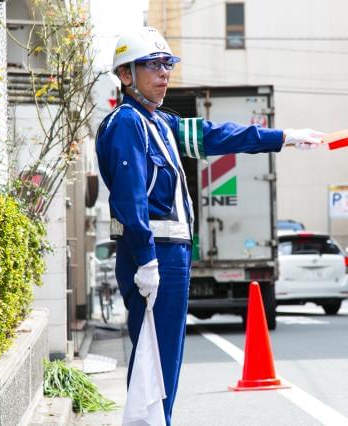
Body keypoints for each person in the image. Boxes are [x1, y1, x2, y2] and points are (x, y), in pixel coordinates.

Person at [95, 26, 324, 425]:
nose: (164, 74)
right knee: (156, 360)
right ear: (126, 75)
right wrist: (146, 259)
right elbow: (130, 200)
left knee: (162, 361)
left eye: (166, 64)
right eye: (152, 65)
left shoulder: (159, 123)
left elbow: (216, 135)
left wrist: (283, 137)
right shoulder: (127, 123)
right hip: (156, 257)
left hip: (170, 257)